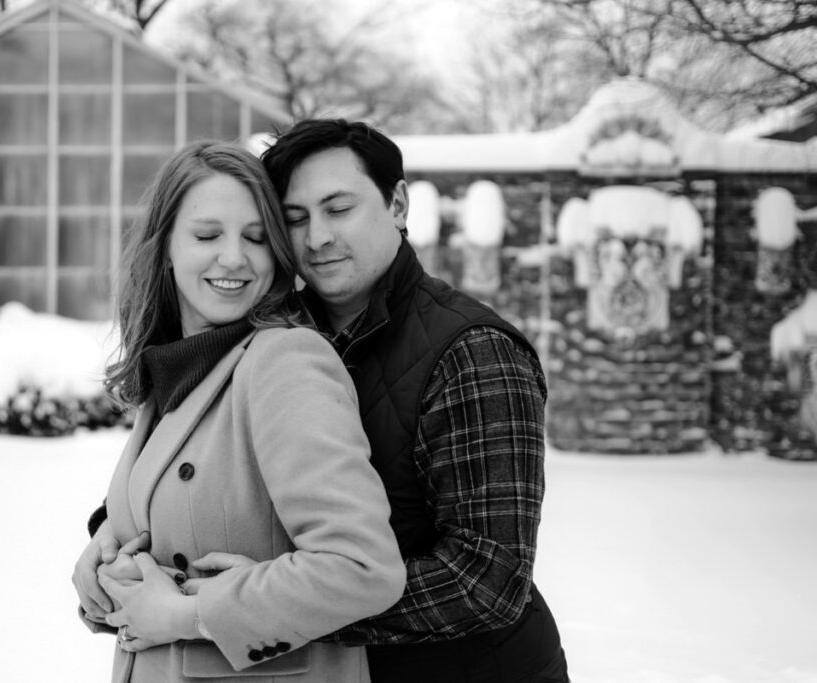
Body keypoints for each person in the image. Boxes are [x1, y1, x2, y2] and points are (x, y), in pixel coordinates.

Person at [74, 140, 406, 682]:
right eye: (208, 235)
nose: (235, 258)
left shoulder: (284, 360)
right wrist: (101, 572)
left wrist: (194, 614)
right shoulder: (179, 371)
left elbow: (362, 568)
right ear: (166, 248)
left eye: (256, 238)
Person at [256, 119, 570, 682]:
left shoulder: (474, 353)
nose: (317, 238)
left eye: (338, 209)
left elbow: (486, 581)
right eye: (295, 218)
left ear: (397, 203)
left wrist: (284, 606)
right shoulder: (279, 342)